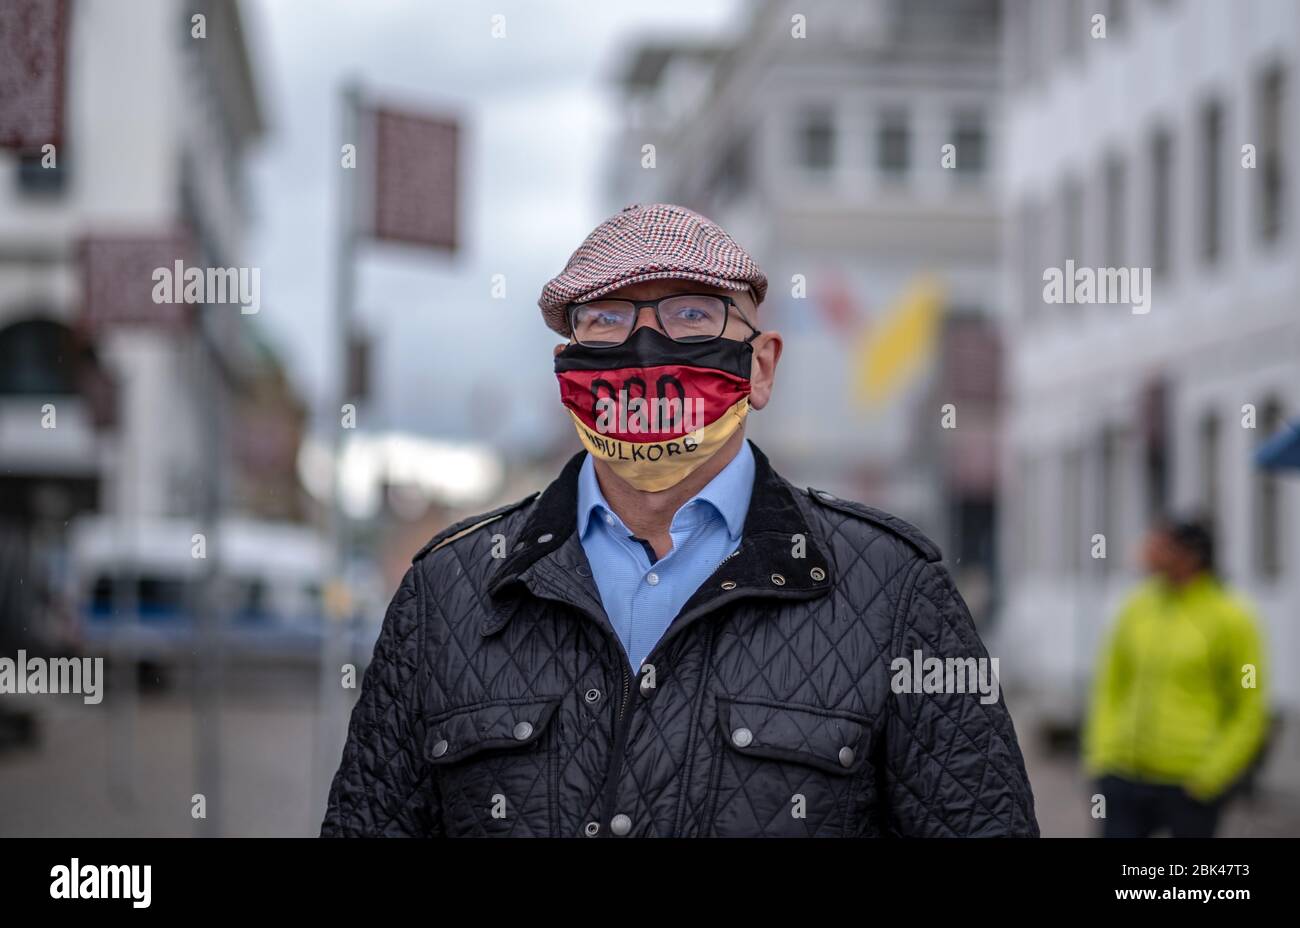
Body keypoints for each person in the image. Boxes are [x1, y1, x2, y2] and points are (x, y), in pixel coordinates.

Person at [320, 202, 1038, 837]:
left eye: (691, 313)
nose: (645, 345)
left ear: (761, 368)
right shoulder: (446, 596)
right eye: (604, 319)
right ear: (566, 371)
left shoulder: (894, 595)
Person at [1083, 517, 1270, 838]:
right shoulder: (1136, 608)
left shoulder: (1231, 618)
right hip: (1124, 776)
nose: (1146, 553)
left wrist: (1213, 775)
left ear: (1190, 555)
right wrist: (1101, 757)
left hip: (1190, 784)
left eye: (1159, 546)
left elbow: (1249, 705)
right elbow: (1109, 686)